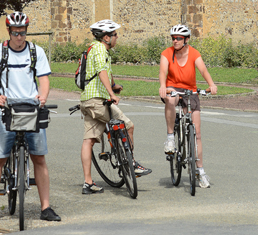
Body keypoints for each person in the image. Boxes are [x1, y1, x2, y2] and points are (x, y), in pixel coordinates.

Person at [0, 12, 60, 226]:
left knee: (39, 158)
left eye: (23, 33)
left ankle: (46, 207)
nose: (19, 37)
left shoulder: (36, 52)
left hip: (32, 109)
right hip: (7, 109)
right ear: (9, 31)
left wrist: (43, 96)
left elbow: (44, 79)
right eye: (15, 33)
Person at [80, 19, 151, 194]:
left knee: (89, 141)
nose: (117, 37)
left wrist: (113, 86)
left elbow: (98, 73)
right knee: (128, 126)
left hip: (88, 100)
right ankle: (130, 163)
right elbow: (101, 71)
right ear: (106, 37)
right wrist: (111, 94)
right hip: (99, 101)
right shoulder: (99, 48)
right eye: (115, 34)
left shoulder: (93, 48)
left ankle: (88, 183)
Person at [159, 24, 218, 189]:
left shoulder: (194, 53)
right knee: (171, 99)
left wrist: (211, 84)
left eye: (178, 38)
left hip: (190, 91)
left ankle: (200, 171)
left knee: (197, 133)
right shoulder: (167, 53)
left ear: (186, 39)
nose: (175, 41)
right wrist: (163, 86)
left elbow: (203, 70)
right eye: (173, 38)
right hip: (172, 89)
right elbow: (163, 72)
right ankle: (170, 138)